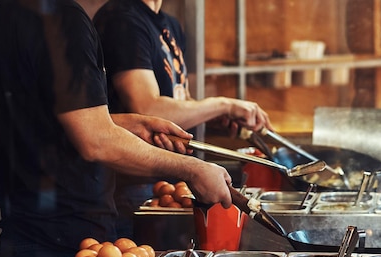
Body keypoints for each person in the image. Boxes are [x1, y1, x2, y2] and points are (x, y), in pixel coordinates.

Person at [0, 0, 234, 257]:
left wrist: (126, 123)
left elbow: (40, 118)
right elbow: (95, 141)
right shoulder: (64, 18)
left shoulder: (8, 10)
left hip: (22, 239)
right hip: (63, 242)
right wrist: (192, 169)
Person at [92, 0, 275, 237]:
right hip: (137, 192)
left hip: (176, 181)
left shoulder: (170, 25)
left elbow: (182, 102)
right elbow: (146, 108)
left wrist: (214, 117)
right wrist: (222, 104)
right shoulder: (122, 18)